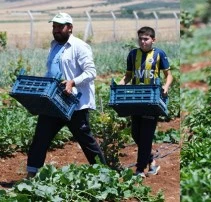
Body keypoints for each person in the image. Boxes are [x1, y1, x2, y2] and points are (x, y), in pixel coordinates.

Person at [26, 13, 106, 178]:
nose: (56, 30)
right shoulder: (54, 45)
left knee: (86, 141)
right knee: (40, 137)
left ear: (70, 27)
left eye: (60, 27)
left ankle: (104, 173)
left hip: (74, 103)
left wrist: (72, 82)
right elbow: (52, 71)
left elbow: (91, 72)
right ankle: (31, 174)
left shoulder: (80, 46)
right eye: (54, 26)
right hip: (54, 101)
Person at [119, 26, 173, 178]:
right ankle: (151, 161)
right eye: (140, 39)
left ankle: (139, 169)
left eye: (146, 39)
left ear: (153, 40)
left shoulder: (159, 54)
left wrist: (166, 86)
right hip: (136, 98)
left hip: (152, 99)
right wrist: (120, 83)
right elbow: (128, 76)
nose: (143, 42)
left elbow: (169, 75)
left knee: (146, 135)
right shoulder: (132, 55)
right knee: (136, 133)